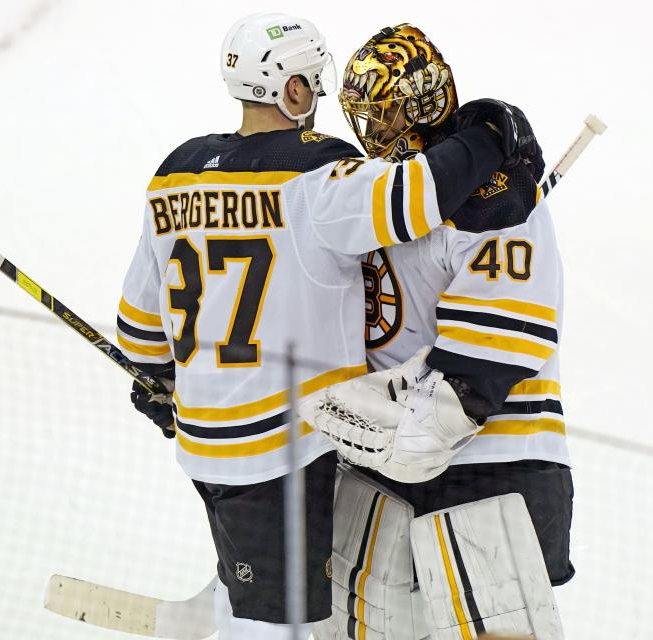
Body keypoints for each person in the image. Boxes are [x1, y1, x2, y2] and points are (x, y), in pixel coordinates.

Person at [117, 12, 544, 640]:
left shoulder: (174, 172)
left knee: (266, 587)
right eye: (313, 83)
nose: (317, 99)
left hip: (202, 442)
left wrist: (156, 385)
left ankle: (232, 602)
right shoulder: (319, 174)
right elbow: (415, 194)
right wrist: (485, 138)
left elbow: (140, 333)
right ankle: (243, 617)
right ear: (292, 89)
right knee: (283, 623)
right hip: (282, 443)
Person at [303, 24, 573, 640]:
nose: (372, 135)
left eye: (387, 115)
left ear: (426, 101)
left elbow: (501, 346)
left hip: (493, 465)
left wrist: (436, 420)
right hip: (378, 465)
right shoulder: (384, 197)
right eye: (363, 119)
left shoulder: (499, 200)